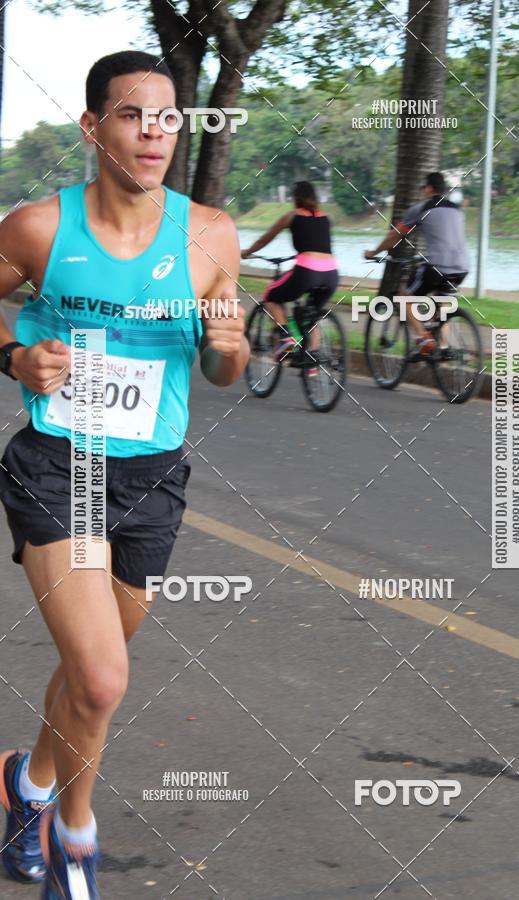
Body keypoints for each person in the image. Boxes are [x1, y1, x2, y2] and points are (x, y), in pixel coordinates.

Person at [0, 50, 248, 898]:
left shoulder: (209, 234)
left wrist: (230, 350)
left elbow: (224, 365)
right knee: (103, 676)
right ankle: (74, 839)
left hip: (150, 475)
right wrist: (15, 356)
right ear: (93, 125)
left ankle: (25, 784)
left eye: (169, 117)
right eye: (134, 115)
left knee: (86, 673)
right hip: (57, 462)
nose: (155, 133)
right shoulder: (39, 229)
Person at [364, 171, 469, 354]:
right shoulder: (457, 210)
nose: (423, 192)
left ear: (429, 188)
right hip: (462, 267)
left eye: (423, 188)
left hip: (438, 265)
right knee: (442, 304)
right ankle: (443, 347)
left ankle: (423, 339)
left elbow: (395, 235)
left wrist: (373, 252)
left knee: (403, 297)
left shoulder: (421, 208)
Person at [241, 181, 338, 372]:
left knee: (271, 295)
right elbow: (318, 243)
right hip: (332, 275)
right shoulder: (327, 217)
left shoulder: (292, 216)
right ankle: (313, 357)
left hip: (307, 272)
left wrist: (248, 252)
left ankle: (285, 337)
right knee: (311, 314)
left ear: (296, 198)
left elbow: (264, 239)